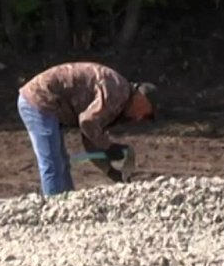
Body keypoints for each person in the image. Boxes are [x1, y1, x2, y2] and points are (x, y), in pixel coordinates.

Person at [17, 62, 157, 196]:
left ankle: (66, 206)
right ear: (142, 98)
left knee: (62, 163)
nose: (140, 118)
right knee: (52, 163)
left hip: (50, 104)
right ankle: (53, 211)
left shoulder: (118, 101)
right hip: (39, 98)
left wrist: (111, 172)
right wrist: (108, 147)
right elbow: (87, 122)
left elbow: (90, 140)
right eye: (145, 113)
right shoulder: (117, 93)